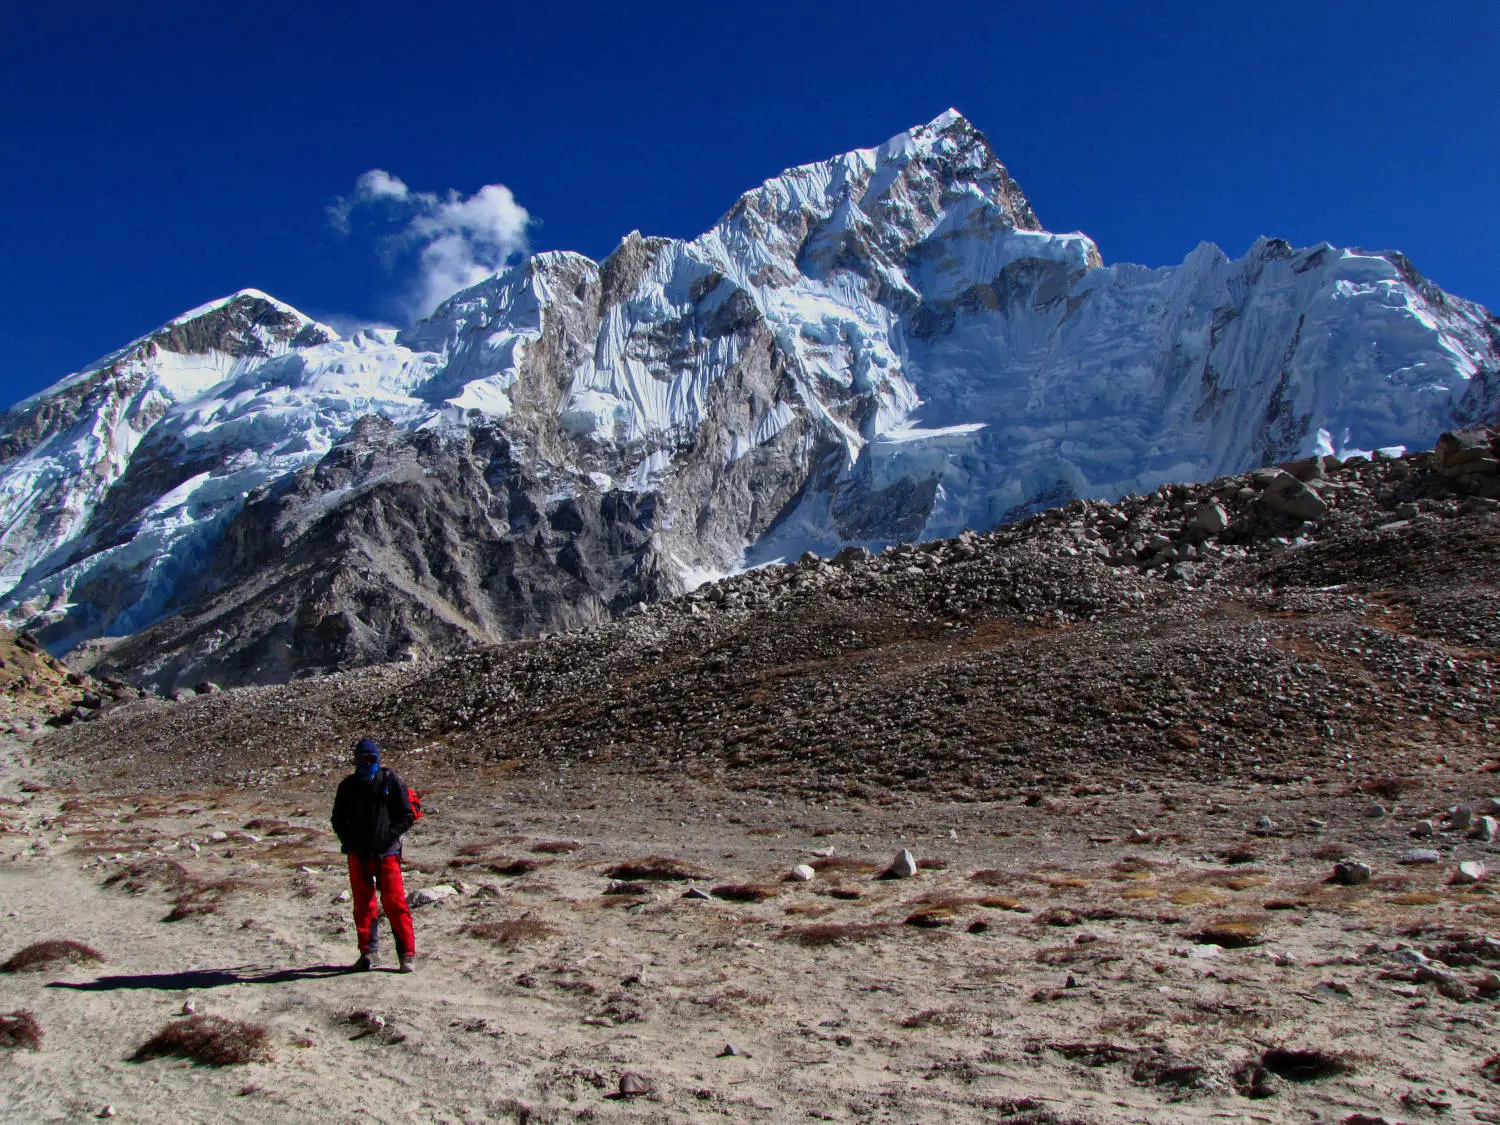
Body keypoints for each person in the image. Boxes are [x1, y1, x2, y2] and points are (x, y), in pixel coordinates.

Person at [330, 737, 417, 972]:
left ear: (377, 759)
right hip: (359, 854)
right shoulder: (347, 786)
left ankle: (406, 955)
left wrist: (389, 837)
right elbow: (337, 818)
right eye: (362, 759)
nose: (366, 764)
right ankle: (369, 953)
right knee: (363, 904)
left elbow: (407, 814)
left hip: (386, 853)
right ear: (355, 761)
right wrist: (347, 841)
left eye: (370, 759)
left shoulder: (390, 781)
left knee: (395, 902)